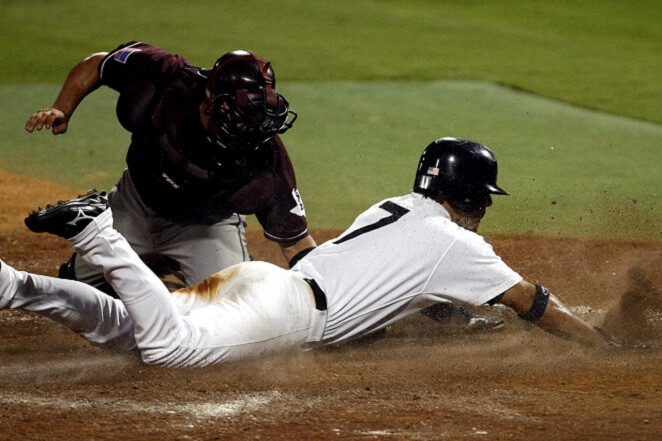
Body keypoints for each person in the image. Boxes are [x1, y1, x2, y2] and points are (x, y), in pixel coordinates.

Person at [0, 137, 608, 367]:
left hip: (259, 280)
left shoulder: (395, 208)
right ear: (474, 195)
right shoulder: (460, 246)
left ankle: (9, 285)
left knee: (127, 331)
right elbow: (532, 303)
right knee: (166, 350)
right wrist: (602, 347)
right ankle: (95, 232)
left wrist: (454, 320)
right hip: (284, 313)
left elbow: (407, 286)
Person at [24, 41, 316, 290]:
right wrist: (62, 108)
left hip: (206, 229)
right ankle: (152, 274)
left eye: (254, 114)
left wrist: (324, 294)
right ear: (211, 95)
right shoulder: (165, 77)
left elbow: (296, 243)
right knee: (79, 288)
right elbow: (99, 64)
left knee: (230, 308)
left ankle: (211, 270)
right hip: (133, 206)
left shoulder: (267, 156)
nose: (248, 126)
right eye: (239, 114)